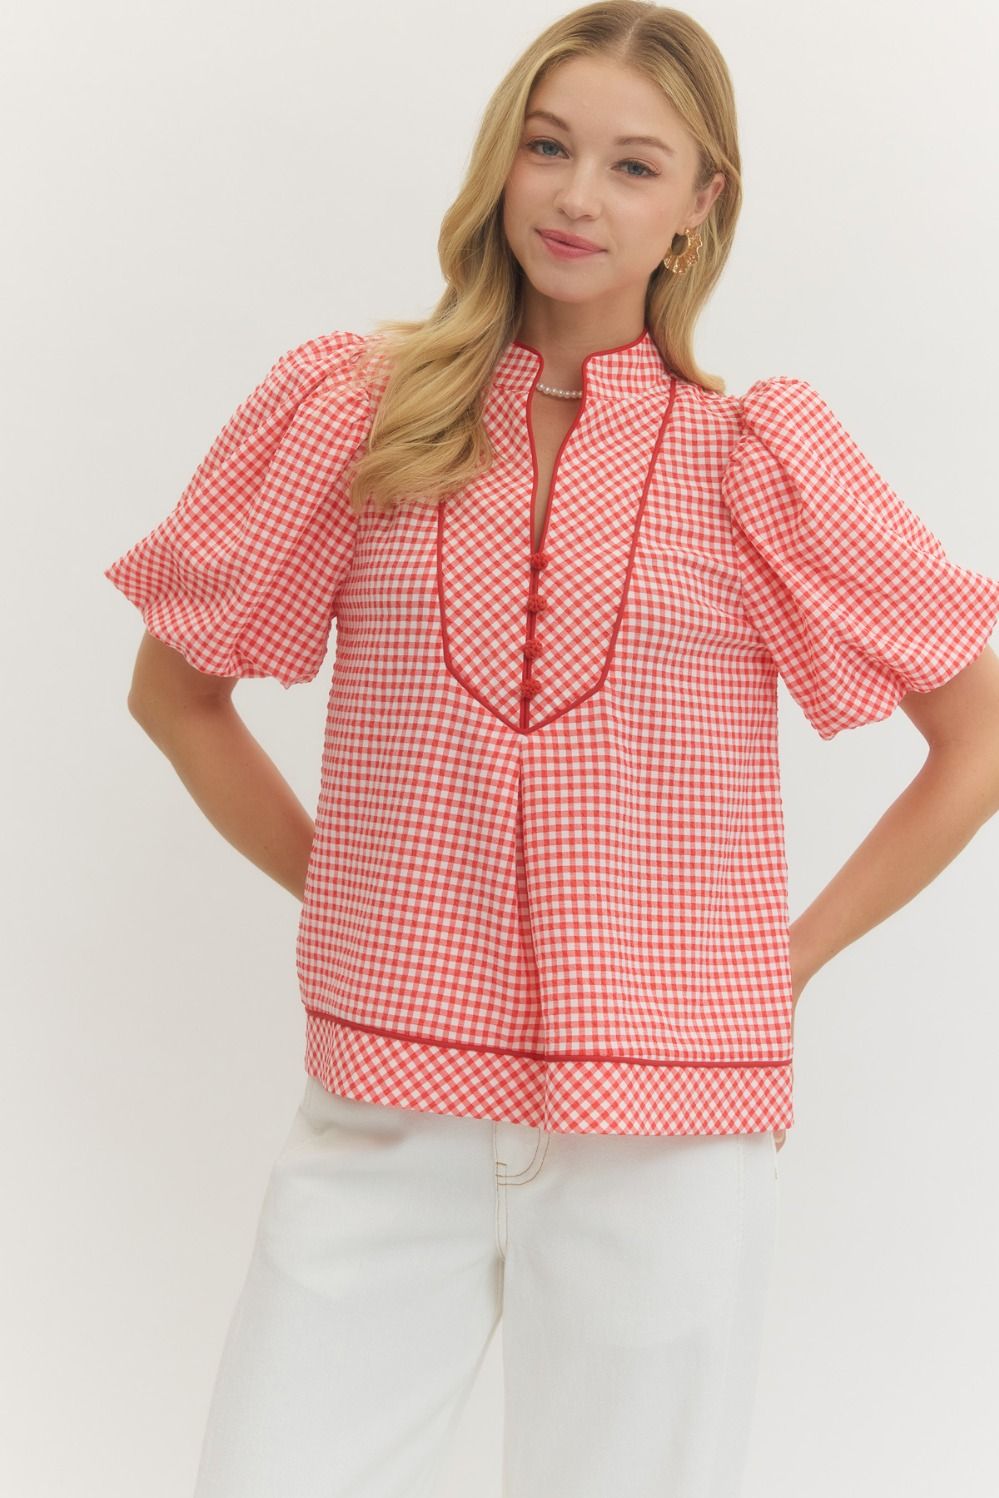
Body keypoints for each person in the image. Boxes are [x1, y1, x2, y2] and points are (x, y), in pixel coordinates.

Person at [103, 4, 999, 1496]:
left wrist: (777, 966)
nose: (578, 197)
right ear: (500, 162)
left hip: (669, 1131)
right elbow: (174, 694)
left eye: (635, 166)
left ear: (700, 205)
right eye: (548, 146)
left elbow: (977, 737)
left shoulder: (756, 459)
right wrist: (361, 890)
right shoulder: (359, 414)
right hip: (386, 1110)